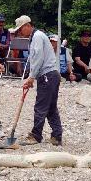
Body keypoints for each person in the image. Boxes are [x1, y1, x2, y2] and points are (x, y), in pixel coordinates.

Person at [15, 15, 63, 146]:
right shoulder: (39, 36)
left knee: (40, 106)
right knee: (51, 107)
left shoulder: (36, 37)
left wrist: (31, 77)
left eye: (20, 29)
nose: (19, 32)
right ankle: (57, 135)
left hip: (47, 75)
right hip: (52, 74)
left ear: (27, 26)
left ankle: (36, 135)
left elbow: (38, 59)